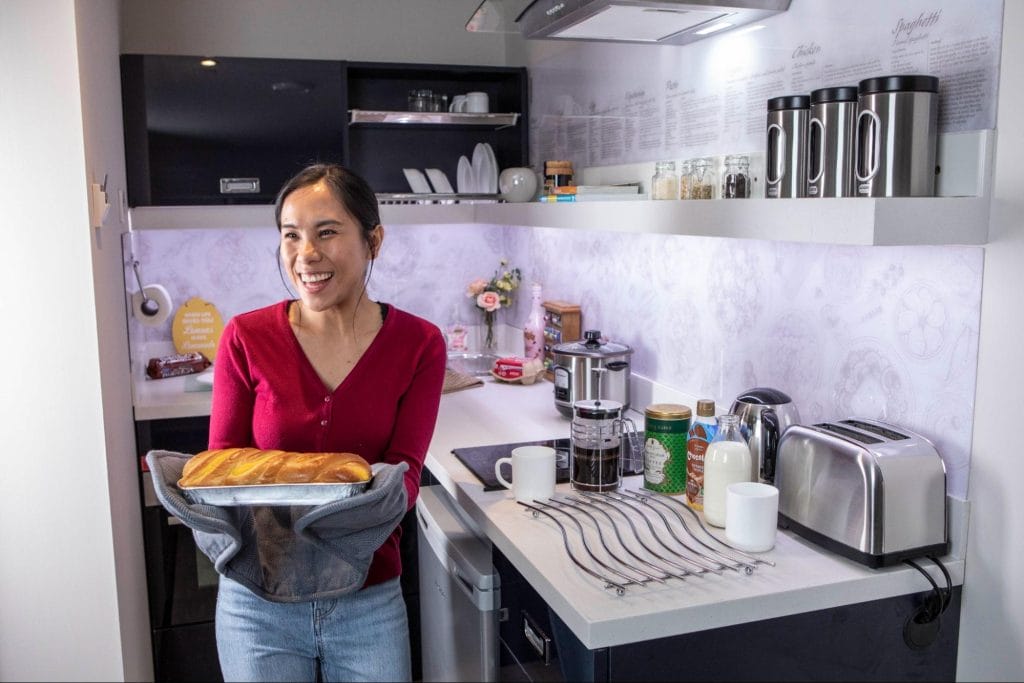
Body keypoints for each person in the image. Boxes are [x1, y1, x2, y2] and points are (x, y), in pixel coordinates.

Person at [207, 163, 447, 682]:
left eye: (327, 232)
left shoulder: (419, 344)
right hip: (258, 600)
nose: (305, 254)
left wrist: (318, 511)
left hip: (367, 599)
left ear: (374, 240)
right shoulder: (245, 338)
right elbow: (222, 474)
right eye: (291, 235)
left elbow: (404, 476)